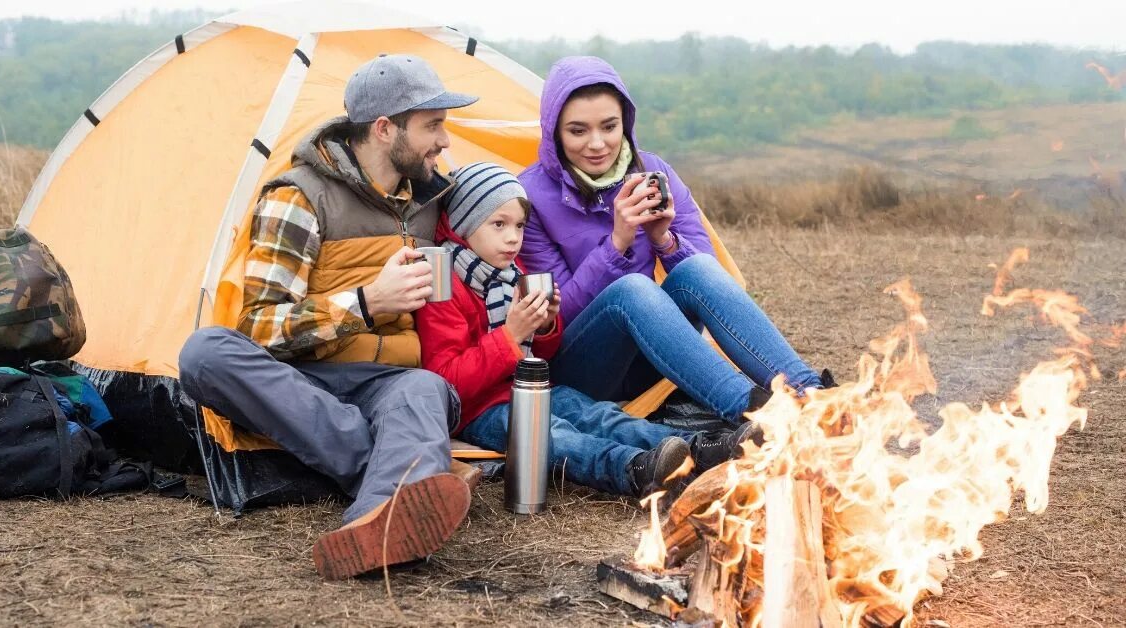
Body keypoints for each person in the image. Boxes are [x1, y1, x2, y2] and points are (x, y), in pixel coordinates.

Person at [178, 54, 478, 580]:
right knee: (205, 353)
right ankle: (406, 469)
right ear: (385, 130)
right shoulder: (300, 196)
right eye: (432, 126)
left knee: (425, 391)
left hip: (390, 384)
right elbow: (260, 328)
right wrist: (365, 304)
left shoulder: (435, 200)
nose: (444, 141)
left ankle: (373, 525)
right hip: (304, 378)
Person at [414, 163, 760, 499]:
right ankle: (635, 469)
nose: (512, 238)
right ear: (463, 224)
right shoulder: (445, 287)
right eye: (498, 224)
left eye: (519, 226)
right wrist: (510, 335)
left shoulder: (511, 272)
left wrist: (546, 324)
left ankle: (701, 451)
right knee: (559, 436)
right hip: (481, 410)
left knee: (602, 417)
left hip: (535, 387)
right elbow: (446, 385)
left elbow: (543, 354)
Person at [517, 56, 831, 425]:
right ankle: (754, 413)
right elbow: (556, 319)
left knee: (695, 266)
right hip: (583, 367)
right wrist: (616, 244)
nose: (597, 144)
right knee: (632, 288)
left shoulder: (654, 173)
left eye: (609, 126)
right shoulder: (529, 195)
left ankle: (814, 398)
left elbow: (709, 281)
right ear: (554, 131)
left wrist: (664, 240)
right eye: (578, 131)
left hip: (657, 354)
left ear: (626, 124)